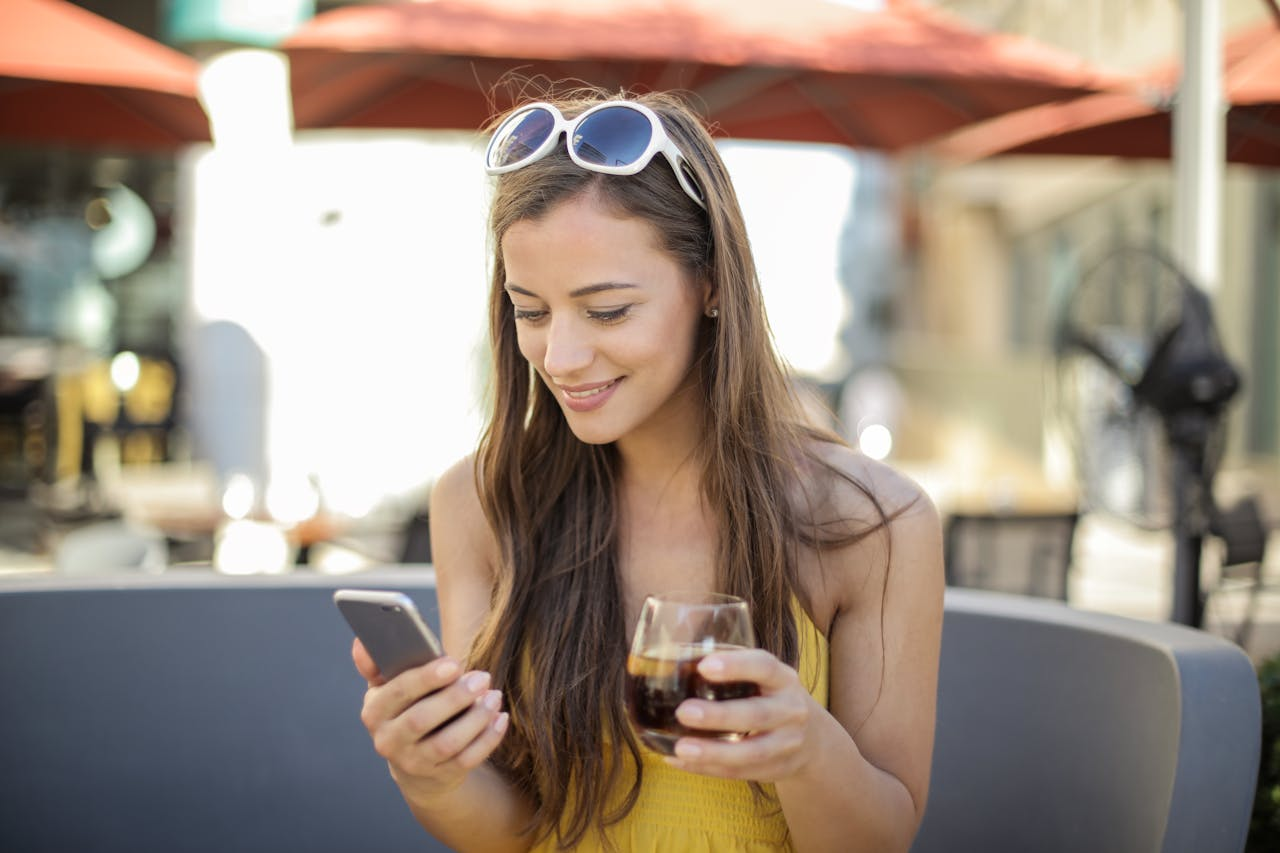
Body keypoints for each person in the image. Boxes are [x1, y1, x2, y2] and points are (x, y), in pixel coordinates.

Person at [351, 86, 944, 852]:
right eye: (531, 311)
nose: (561, 357)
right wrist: (431, 775)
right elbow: (518, 829)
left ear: (712, 283)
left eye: (607, 311)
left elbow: (880, 839)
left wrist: (806, 751)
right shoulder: (481, 501)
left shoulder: (873, 524)